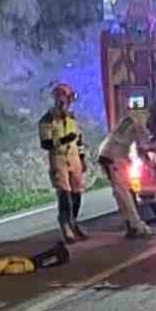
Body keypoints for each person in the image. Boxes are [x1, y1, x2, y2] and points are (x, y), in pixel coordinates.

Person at [97, 103, 156, 238]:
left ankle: (130, 225)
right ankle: (138, 226)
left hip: (114, 155)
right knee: (124, 194)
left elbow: (139, 148)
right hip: (113, 157)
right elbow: (146, 147)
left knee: (123, 192)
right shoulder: (141, 124)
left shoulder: (137, 118)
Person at [39, 83, 88, 243]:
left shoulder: (72, 118)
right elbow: (45, 143)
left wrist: (82, 158)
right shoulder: (47, 120)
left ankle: (73, 221)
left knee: (77, 192)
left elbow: (78, 139)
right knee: (64, 193)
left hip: (73, 158)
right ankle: (65, 225)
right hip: (58, 158)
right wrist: (62, 140)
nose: (66, 104)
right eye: (64, 100)